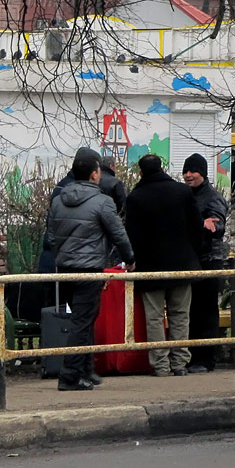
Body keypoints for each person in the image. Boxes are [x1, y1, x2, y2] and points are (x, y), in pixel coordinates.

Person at [44, 152, 135, 391]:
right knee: (83, 322)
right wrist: (130, 259)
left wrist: (62, 255)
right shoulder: (102, 202)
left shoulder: (58, 199)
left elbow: (51, 236)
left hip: (64, 268)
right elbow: (119, 234)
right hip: (90, 269)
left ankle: (86, 370)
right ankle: (70, 375)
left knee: (80, 320)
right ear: (95, 173)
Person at [124, 153, 204, 377]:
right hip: (182, 263)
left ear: (141, 172)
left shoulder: (136, 197)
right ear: (161, 168)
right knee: (180, 314)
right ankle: (180, 363)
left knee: (155, 317)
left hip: (151, 268)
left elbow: (132, 236)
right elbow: (197, 227)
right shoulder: (182, 192)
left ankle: (160, 365)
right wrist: (193, 255)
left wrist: (133, 261)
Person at [181, 152, 227, 373]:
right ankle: (191, 356)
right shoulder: (185, 196)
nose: (189, 175)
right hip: (191, 260)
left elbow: (217, 224)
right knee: (190, 311)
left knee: (206, 311)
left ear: (203, 173)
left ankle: (205, 358)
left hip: (209, 261)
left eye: (193, 171)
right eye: (186, 171)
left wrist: (207, 225)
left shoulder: (212, 197)